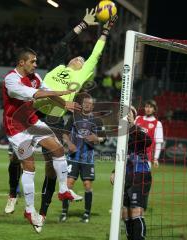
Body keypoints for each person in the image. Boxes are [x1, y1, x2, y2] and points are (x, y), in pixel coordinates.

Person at [33, 10, 118, 226]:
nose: (79, 58)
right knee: (17, 158)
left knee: (50, 167)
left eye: (82, 59)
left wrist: (105, 31)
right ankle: (14, 195)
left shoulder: (81, 74)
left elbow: (95, 54)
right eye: (77, 56)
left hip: (52, 119)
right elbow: (62, 44)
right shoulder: (58, 66)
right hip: (32, 111)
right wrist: (83, 24)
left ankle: (42, 213)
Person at [3, 47, 80, 232]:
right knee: (30, 167)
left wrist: (65, 104)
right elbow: (36, 94)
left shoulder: (36, 78)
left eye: (36, 61)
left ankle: (63, 190)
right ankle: (29, 210)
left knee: (58, 149)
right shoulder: (11, 79)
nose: (36, 65)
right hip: (16, 129)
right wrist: (62, 93)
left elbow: (48, 92)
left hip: (32, 121)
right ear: (22, 62)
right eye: (33, 62)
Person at [59, 95, 106, 223]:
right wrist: (69, 144)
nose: (86, 105)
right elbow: (64, 133)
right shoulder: (74, 117)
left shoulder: (97, 120)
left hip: (88, 159)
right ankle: (64, 213)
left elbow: (104, 138)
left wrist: (96, 139)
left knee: (87, 185)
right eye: (84, 103)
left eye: (89, 103)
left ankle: (86, 214)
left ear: (92, 106)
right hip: (73, 157)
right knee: (68, 184)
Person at [110, 106, 152, 240]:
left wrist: (133, 124)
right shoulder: (122, 134)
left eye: (126, 114)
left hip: (141, 174)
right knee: (125, 213)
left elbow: (148, 141)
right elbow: (123, 155)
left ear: (132, 116)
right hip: (127, 176)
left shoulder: (138, 129)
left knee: (135, 211)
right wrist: (115, 171)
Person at [0, 125, 22, 214]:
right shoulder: (10, 114)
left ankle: (15, 191)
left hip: (25, 140)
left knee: (23, 166)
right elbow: (4, 126)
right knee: (14, 164)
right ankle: (15, 191)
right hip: (13, 141)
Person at [135, 100, 164, 167]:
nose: (148, 109)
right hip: (132, 155)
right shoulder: (137, 118)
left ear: (154, 109)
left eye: (151, 107)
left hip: (146, 158)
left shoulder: (157, 123)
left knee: (142, 177)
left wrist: (156, 158)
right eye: (146, 107)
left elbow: (158, 143)